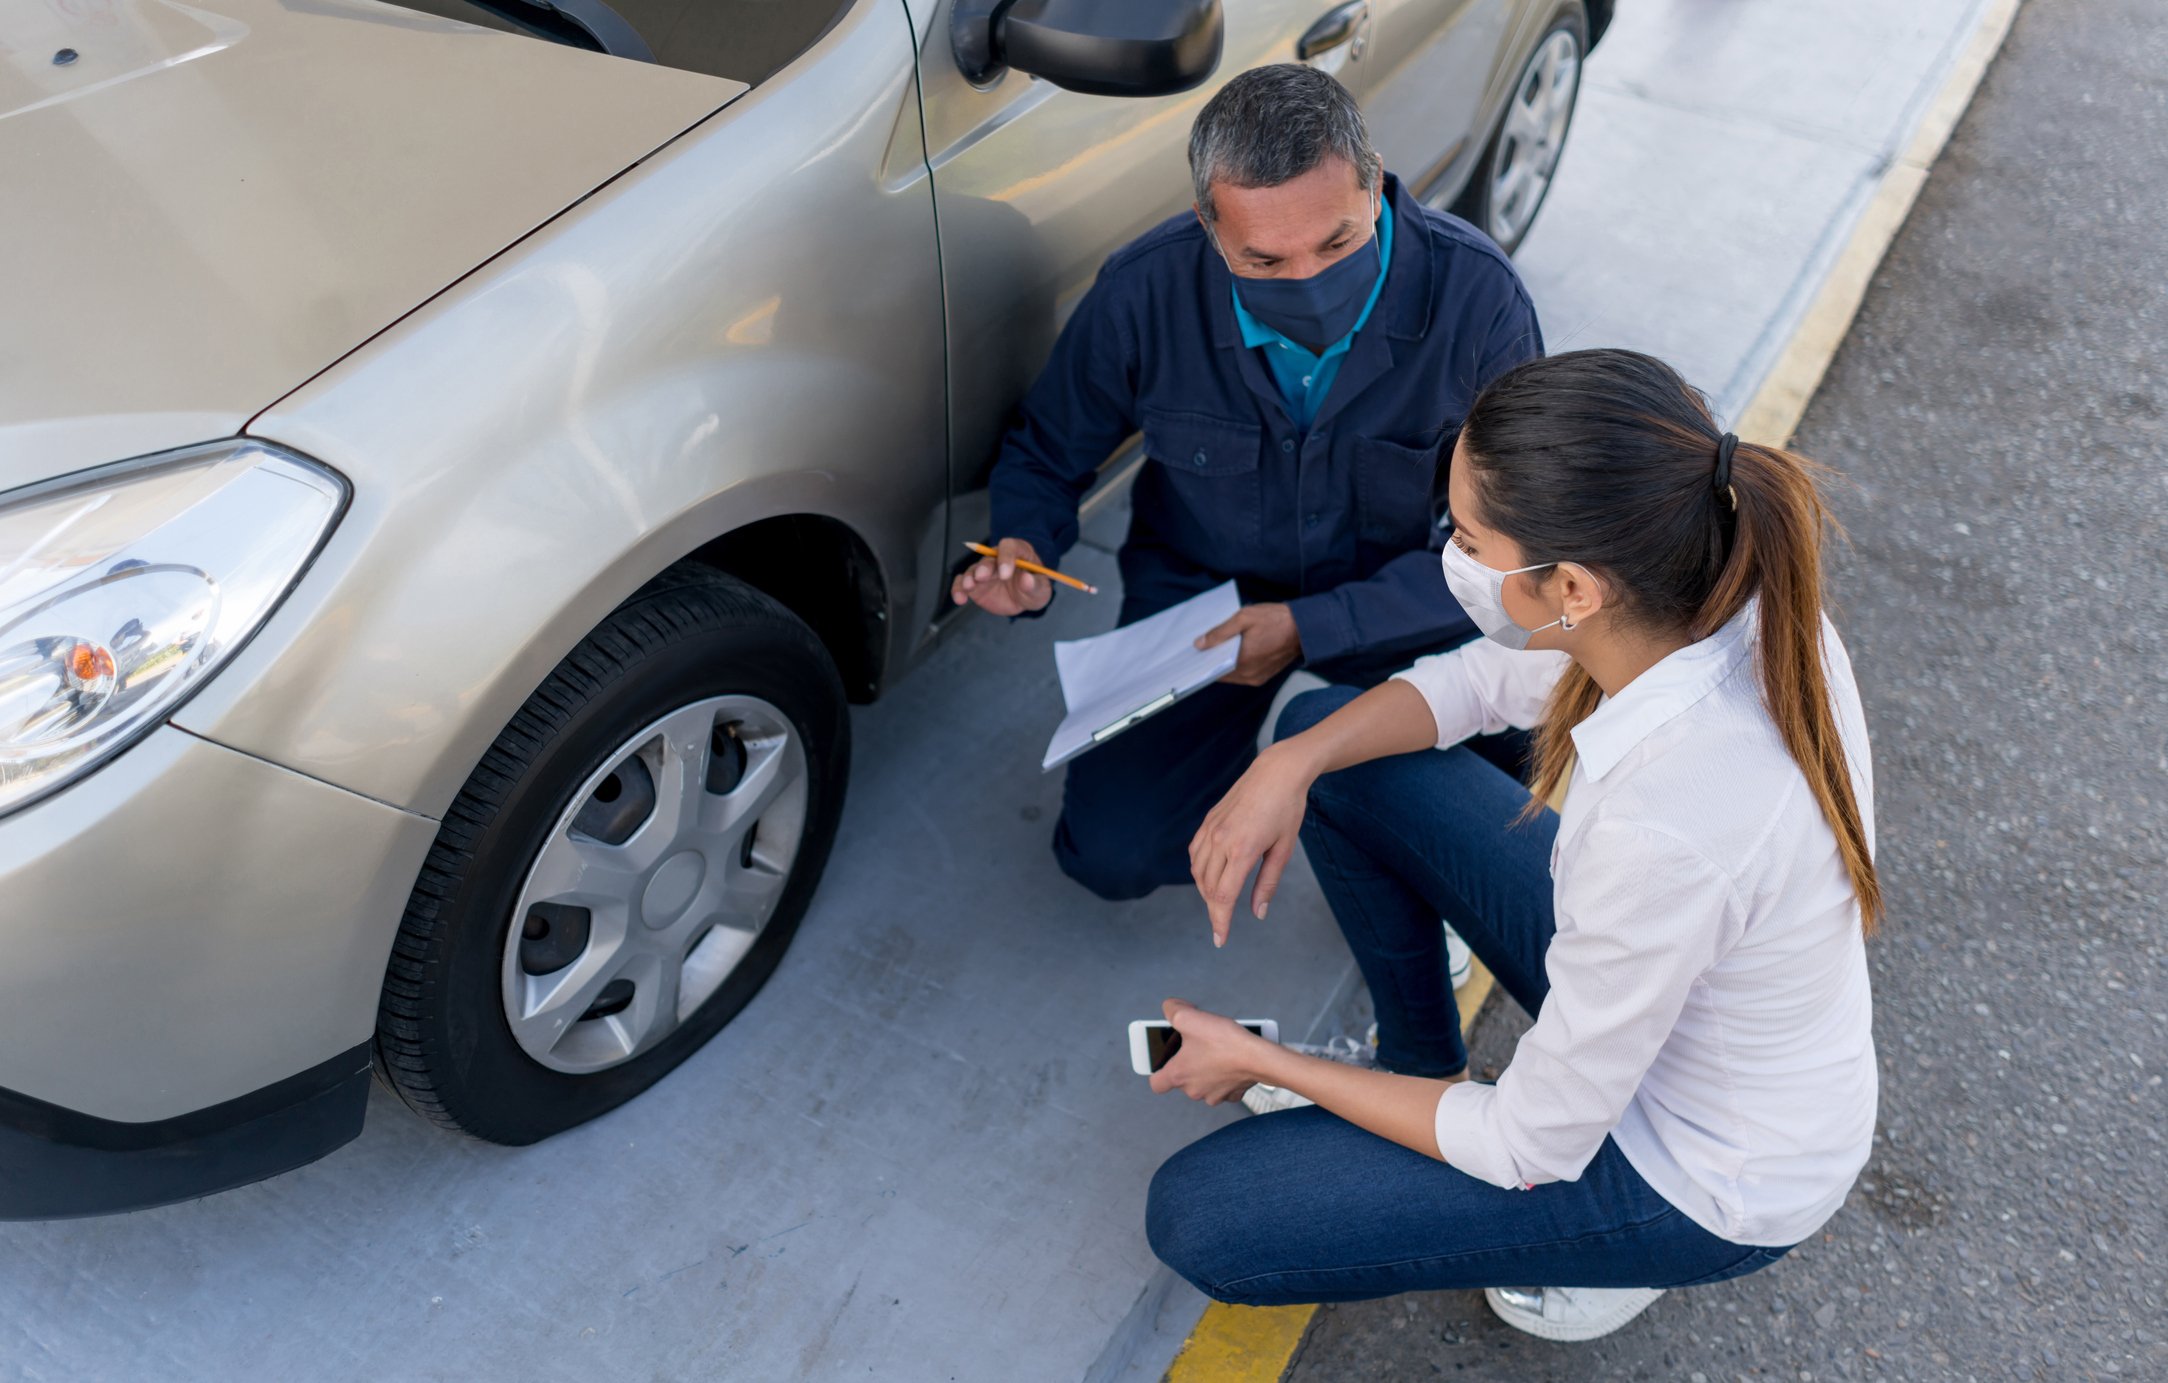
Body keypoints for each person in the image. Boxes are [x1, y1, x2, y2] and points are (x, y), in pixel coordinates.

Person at [1142, 349, 1880, 1343]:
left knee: (1204, 1220)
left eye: (1470, 535)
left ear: (1571, 584)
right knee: (1336, 743)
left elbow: (1527, 1142)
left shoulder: (1669, 823)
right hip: (1668, 996)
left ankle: (1604, 1244)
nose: (1449, 549)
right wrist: (1293, 761)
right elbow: (1476, 686)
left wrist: (1257, 1058)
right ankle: (1420, 1071)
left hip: (1703, 1170)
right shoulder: (1714, 590)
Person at [950, 64, 1542, 902]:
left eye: (1336, 243)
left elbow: (1518, 551)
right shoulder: (1144, 291)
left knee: (1510, 782)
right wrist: (1024, 545)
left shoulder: (1481, 303)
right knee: (1111, 851)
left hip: (1404, 593)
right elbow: (1047, 450)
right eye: (1263, 259)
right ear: (1208, 225)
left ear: (1374, 187)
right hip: (1204, 601)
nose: (1307, 281)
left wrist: (1310, 626)